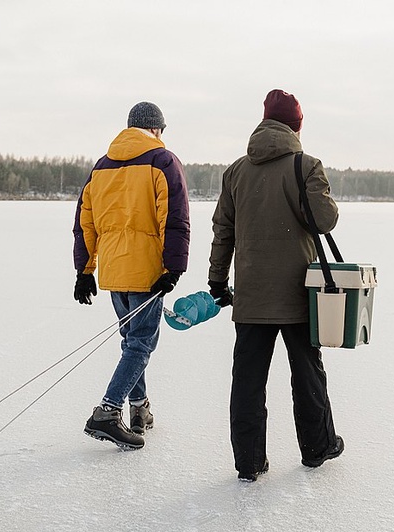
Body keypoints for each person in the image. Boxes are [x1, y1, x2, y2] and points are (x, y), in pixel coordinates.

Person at [207, 89, 344, 481]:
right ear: (296, 126)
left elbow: (223, 232)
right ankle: (318, 448)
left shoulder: (235, 171)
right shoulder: (306, 165)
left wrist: (218, 279)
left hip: (251, 296)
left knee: (247, 382)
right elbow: (325, 220)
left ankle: (249, 462)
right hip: (299, 293)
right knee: (307, 374)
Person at [73, 101, 190, 450]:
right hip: (146, 273)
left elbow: (85, 223)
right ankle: (107, 412)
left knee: (131, 343)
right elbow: (175, 219)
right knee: (141, 343)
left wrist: (84, 270)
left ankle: (140, 410)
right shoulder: (162, 161)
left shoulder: (102, 166)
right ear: (155, 129)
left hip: (113, 271)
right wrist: (173, 269)